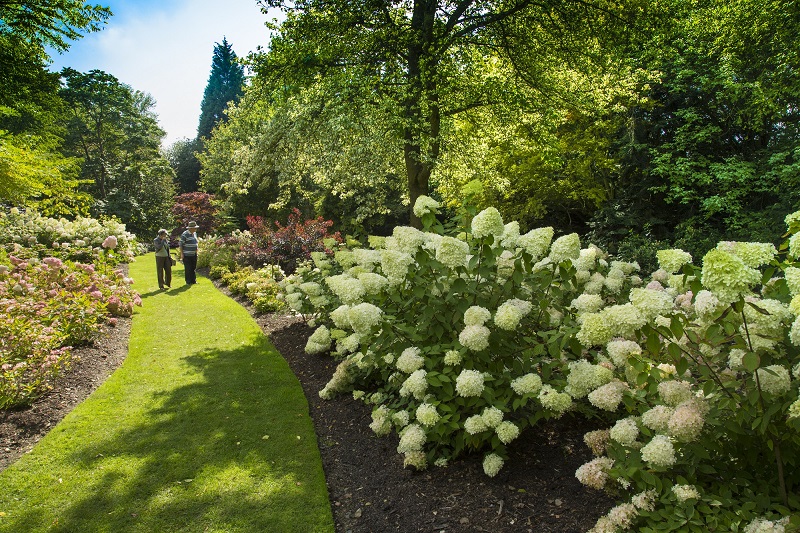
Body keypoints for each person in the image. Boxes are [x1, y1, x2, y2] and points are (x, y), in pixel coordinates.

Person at [179, 221, 200, 285]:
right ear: (190, 228)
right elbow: (181, 244)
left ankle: (193, 280)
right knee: (188, 268)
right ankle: (188, 281)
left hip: (193, 254)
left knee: (193, 268)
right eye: (194, 228)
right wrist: (182, 254)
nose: (196, 229)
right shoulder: (185, 234)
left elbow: (196, 243)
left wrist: (196, 249)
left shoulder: (194, 234)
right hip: (187, 254)